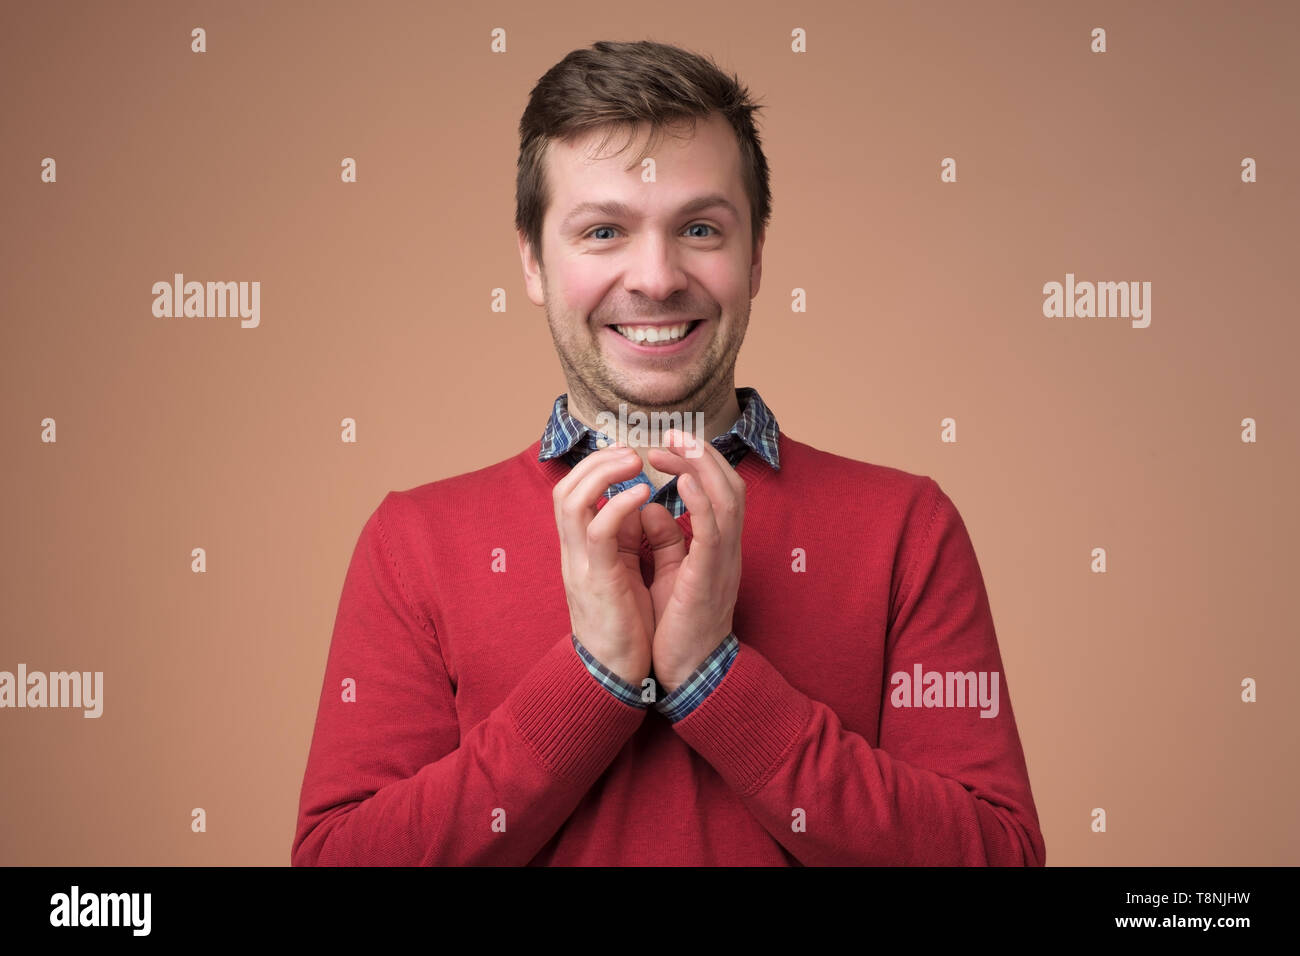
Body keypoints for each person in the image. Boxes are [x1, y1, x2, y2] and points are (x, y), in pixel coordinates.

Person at [291, 39, 1045, 866]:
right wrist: (594, 681)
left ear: (755, 255)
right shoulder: (414, 543)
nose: (655, 277)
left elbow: (1000, 858)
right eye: (604, 230)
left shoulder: (906, 528)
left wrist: (715, 680)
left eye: (699, 228)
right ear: (533, 262)